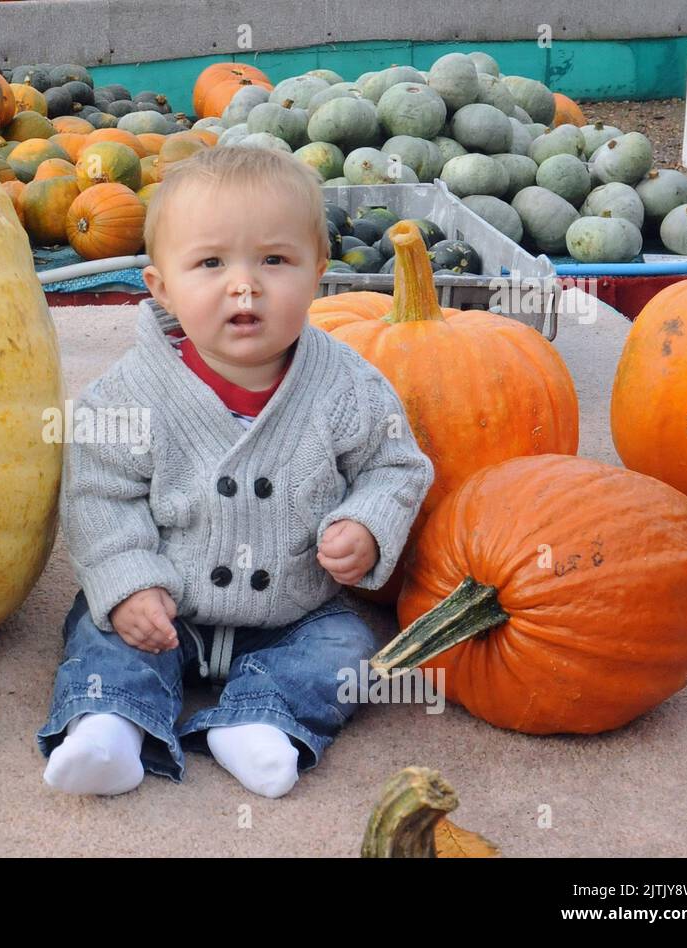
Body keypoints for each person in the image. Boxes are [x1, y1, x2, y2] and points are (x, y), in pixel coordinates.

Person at [35, 146, 434, 798]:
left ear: (318, 274)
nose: (244, 285)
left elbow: (394, 466)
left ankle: (260, 722)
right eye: (211, 263)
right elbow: (98, 496)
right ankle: (107, 726)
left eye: (274, 261)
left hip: (293, 610)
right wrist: (129, 583)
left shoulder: (346, 385)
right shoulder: (128, 395)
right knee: (98, 630)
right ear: (160, 285)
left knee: (347, 647)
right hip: (169, 605)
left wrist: (366, 522)